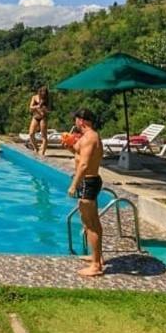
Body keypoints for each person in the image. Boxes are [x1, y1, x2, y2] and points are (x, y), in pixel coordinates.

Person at [68, 108, 104, 277]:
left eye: (76, 120)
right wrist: (69, 144)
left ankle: (96, 266)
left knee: (91, 223)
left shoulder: (90, 138)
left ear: (81, 120)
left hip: (88, 182)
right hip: (89, 182)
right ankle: (97, 257)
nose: (75, 123)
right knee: (90, 222)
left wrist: (74, 185)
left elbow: (83, 165)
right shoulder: (88, 137)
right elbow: (77, 152)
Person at [27, 86, 51, 155]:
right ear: (40, 92)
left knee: (44, 135)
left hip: (43, 117)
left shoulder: (48, 99)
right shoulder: (34, 97)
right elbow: (30, 107)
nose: (43, 94)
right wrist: (37, 106)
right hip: (35, 117)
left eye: (45, 93)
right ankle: (36, 148)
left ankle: (42, 152)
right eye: (42, 92)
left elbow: (49, 110)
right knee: (31, 133)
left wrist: (44, 109)